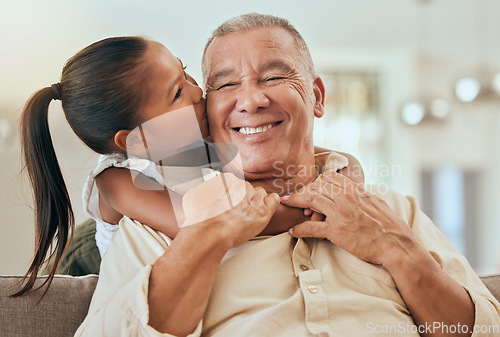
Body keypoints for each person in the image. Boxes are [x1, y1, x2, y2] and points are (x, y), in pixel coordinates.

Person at [75, 13, 500, 337]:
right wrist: (209, 235)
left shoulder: (390, 211)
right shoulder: (152, 219)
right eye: (224, 86)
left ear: (315, 96)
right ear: (207, 113)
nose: (251, 99)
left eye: (274, 76)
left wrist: (397, 250)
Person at [14, 36, 362, 296]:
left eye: (185, 74)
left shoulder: (186, 142)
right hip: (90, 254)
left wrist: (347, 170)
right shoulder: (118, 180)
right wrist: (312, 210)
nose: (198, 92)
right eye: (177, 94)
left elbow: (297, 150)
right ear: (137, 141)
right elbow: (210, 222)